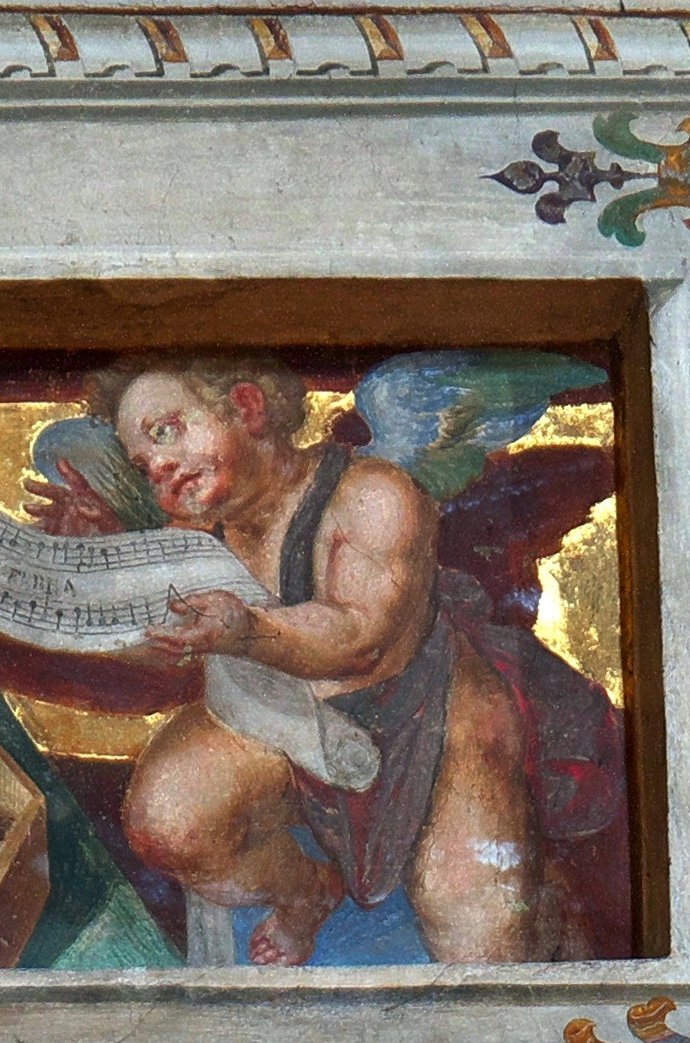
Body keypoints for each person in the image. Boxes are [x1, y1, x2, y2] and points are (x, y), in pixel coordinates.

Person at [38, 355, 559, 967]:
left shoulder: (371, 494)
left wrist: (244, 627)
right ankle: (307, 893)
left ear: (246, 407)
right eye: (141, 462)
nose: (156, 466)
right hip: (285, 721)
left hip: (428, 723)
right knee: (167, 822)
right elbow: (172, 659)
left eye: (166, 431)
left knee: (478, 940)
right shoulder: (199, 535)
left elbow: (358, 634)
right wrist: (101, 574)